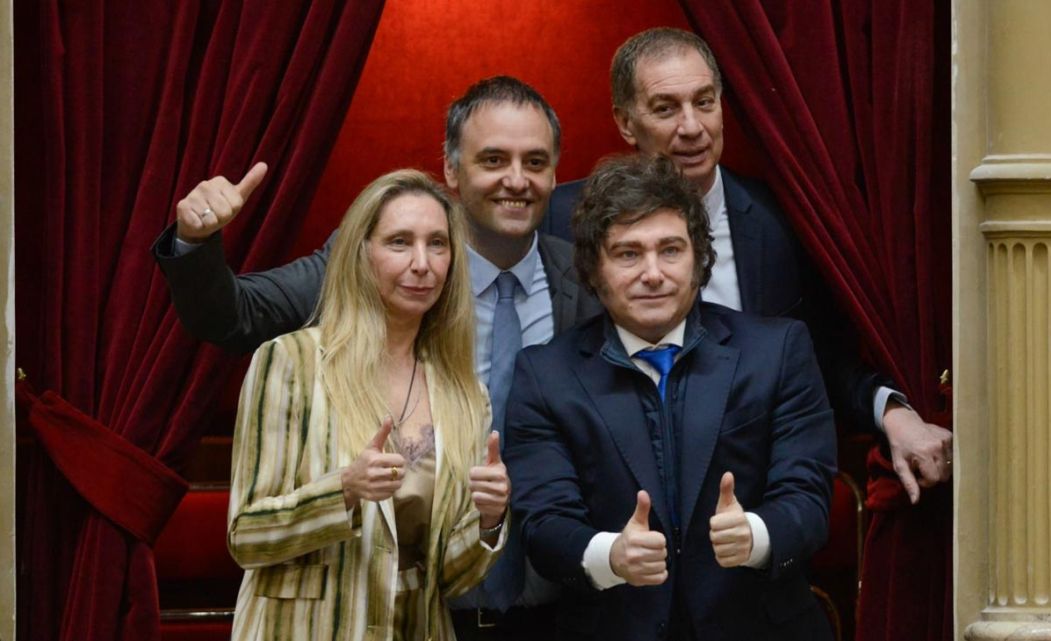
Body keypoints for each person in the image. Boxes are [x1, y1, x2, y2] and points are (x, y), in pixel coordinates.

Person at [153, 76, 601, 639]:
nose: (516, 179)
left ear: (556, 173)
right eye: (493, 159)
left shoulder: (592, 282)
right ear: (452, 169)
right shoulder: (352, 279)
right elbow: (233, 314)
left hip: (546, 605)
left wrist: (491, 521)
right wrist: (196, 241)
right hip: (359, 612)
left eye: (534, 161)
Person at [541, 27, 952, 502]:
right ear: (626, 122)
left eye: (704, 102)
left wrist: (894, 412)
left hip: (755, 500)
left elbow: (826, 357)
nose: (692, 127)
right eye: (666, 109)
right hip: (610, 505)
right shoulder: (561, 221)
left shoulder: (785, 219)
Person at [505, 155, 836, 641]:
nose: (653, 273)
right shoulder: (546, 374)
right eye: (628, 254)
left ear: (699, 260)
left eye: (671, 250)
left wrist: (757, 534)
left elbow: (807, 496)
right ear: (594, 269)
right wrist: (611, 555)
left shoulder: (777, 350)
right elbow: (545, 522)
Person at [226, 169, 507, 639]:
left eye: (438, 244)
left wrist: (490, 520)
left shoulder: (465, 394)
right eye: (400, 242)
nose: (422, 263)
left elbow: (451, 579)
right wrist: (344, 490)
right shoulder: (291, 361)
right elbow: (246, 537)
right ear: (361, 253)